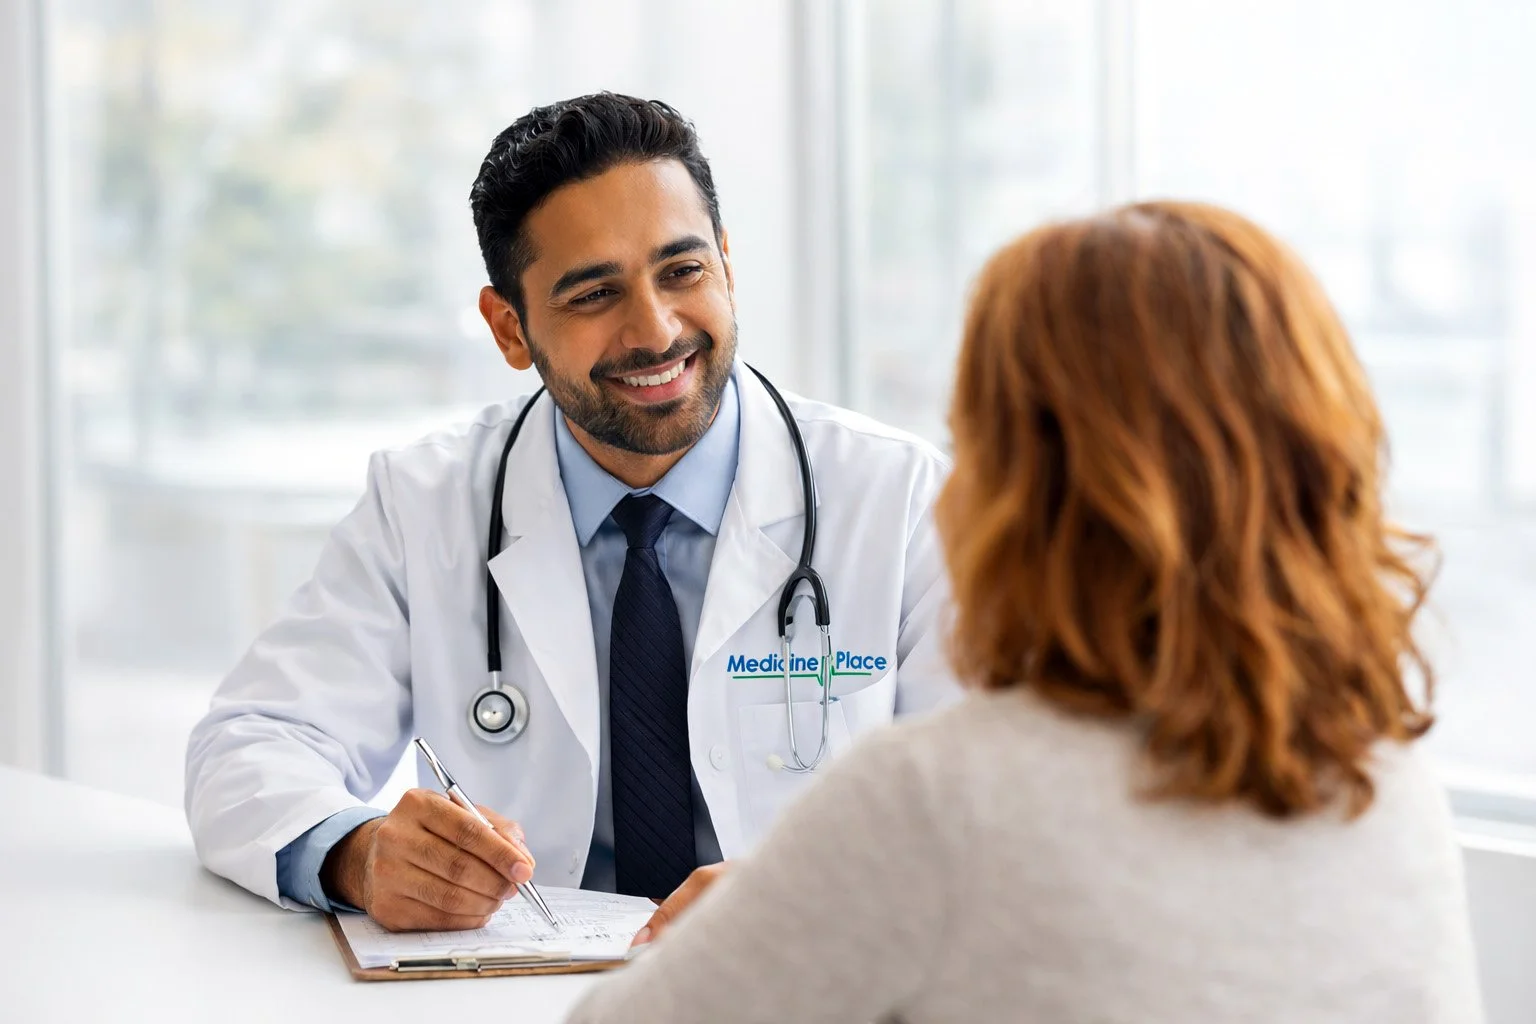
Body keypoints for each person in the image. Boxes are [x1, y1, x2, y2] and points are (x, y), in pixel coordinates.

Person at [564, 201, 1485, 1023]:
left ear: (1025, 486)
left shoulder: (936, 801)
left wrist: (796, 910)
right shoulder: (1383, 779)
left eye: (971, 440)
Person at [183, 93, 956, 934]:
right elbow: (248, 745)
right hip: (517, 992)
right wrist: (359, 853)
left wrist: (815, 894)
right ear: (509, 328)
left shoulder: (902, 501)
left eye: (683, 271)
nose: (655, 331)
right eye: (593, 294)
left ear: (728, 267)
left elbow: (1002, 798)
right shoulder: (426, 503)